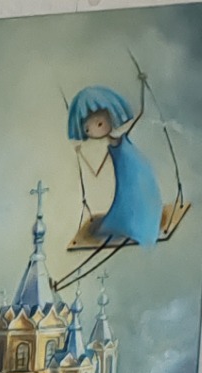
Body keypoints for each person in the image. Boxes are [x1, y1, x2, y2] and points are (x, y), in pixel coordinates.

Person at [69, 81, 163, 248]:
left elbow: (140, 113)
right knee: (122, 209)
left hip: (138, 181)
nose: (92, 131)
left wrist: (143, 85)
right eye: (87, 129)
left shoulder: (119, 140)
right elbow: (97, 171)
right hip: (129, 185)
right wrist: (81, 155)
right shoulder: (112, 145)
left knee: (128, 213)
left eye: (99, 124)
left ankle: (139, 223)